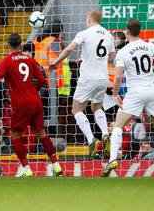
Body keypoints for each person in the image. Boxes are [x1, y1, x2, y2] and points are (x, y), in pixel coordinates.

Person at [0, 33, 62, 177]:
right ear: (21, 45)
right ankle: (56, 165)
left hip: (20, 103)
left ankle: (26, 169)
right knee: (42, 133)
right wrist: (33, 92)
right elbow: (42, 79)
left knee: (15, 135)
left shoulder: (7, 61)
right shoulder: (30, 60)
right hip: (35, 101)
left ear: (7, 46)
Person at [102, 20, 154, 178]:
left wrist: (116, 94)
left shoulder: (123, 52)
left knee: (118, 125)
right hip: (151, 90)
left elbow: (117, 77)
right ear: (140, 31)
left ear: (126, 32)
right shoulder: (150, 46)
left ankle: (112, 160)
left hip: (135, 92)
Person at [49, 10, 115, 158]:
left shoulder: (85, 33)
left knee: (76, 109)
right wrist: (87, 59)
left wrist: (56, 62)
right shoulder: (109, 35)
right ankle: (105, 134)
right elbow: (111, 58)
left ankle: (92, 140)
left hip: (88, 78)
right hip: (103, 78)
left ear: (89, 20)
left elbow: (68, 49)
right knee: (96, 107)